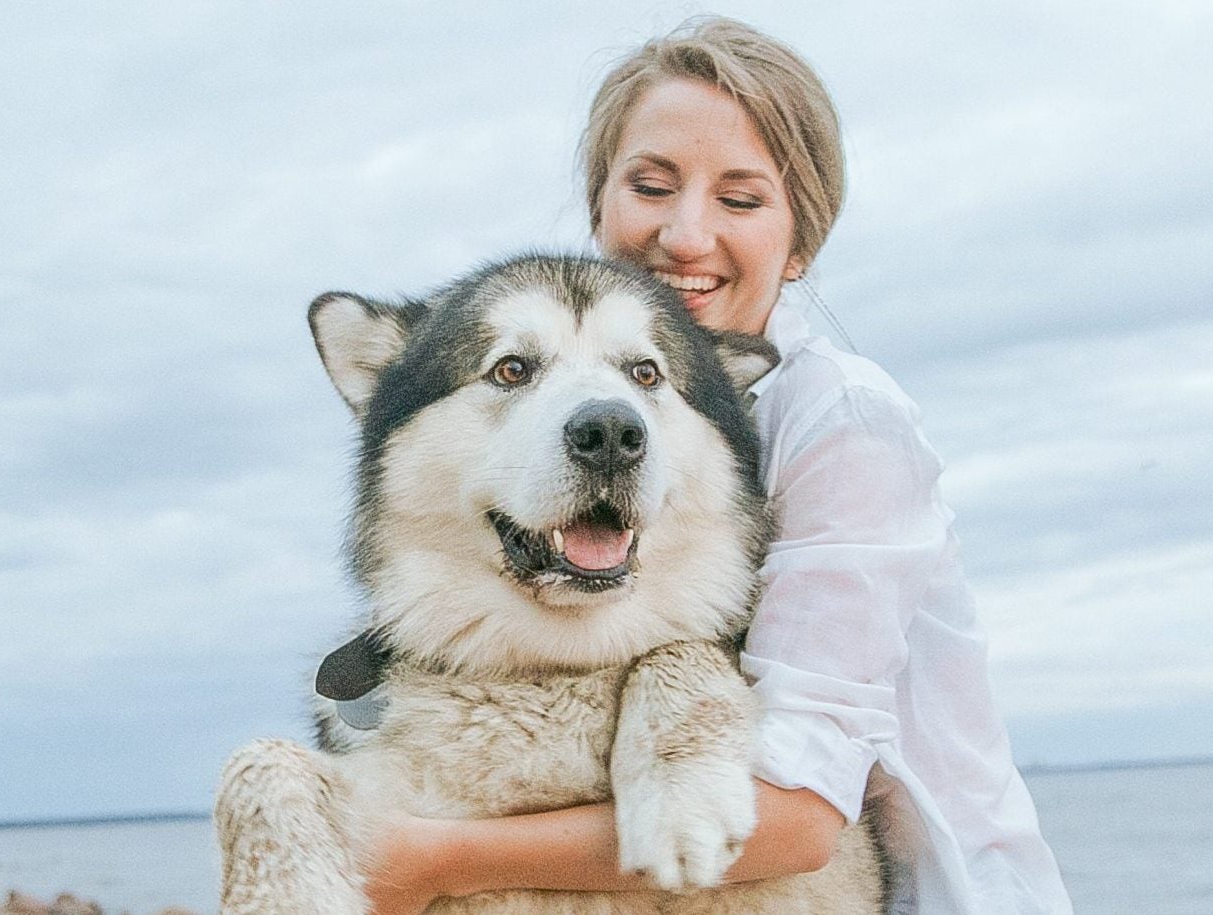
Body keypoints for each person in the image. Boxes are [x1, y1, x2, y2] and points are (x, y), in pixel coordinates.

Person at [358, 16, 1074, 915]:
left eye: (741, 200)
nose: (686, 235)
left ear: (801, 239)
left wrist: (431, 859)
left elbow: (799, 816)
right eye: (652, 186)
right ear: (601, 206)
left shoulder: (843, 422)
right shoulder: (590, 408)